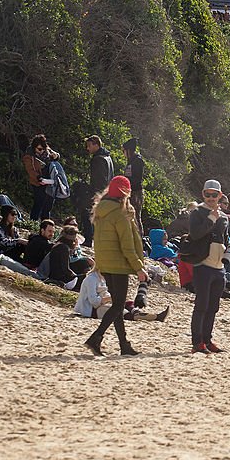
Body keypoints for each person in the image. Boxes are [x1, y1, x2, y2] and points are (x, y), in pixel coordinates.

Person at [84, 176, 149, 357]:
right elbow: (126, 246)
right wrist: (138, 268)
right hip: (118, 264)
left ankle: (124, 345)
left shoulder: (100, 211)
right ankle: (96, 338)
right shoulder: (120, 214)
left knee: (117, 306)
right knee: (118, 306)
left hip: (105, 263)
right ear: (125, 194)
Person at [186, 180, 230, 354]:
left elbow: (224, 238)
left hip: (219, 267)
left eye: (214, 195)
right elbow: (195, 234)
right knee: (201, 305)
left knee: (213, 307)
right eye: (207, 194)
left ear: (220, 195)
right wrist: (211, 218)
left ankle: (207, 339)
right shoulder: (196, 212)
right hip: (202, 265)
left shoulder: (224, 217)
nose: (211, 198)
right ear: (203, 194)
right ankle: (197, 342)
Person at [76, 264, 170, 322]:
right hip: (91, 310)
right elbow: (94, 302)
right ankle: (154, 317)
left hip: (103, 303)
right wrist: (112, 298)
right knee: (118, 310)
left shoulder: (102, 278)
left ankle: (141, 314)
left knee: (127, 303)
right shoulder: (91, 279)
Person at [82, 135, 114, 247]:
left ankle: (88, 239)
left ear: (96, 144)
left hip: (98, 192)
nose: (87, 148)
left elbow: (99, 179)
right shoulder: (107, 157)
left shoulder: (98, 159)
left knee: (88, 214)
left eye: (89, 145)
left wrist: (94, 193)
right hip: (106, 192)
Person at [22, 134, 60, 221]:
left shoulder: (47, 150)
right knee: (38, 202)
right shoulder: (29, 155)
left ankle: (45, 224)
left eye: (43, 148)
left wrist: (56, 156)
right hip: (38, 182)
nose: (42, 151)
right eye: (39, 149)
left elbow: (57, 156)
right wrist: (39, 178)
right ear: (34, 147)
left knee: (48, 205)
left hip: (50, 181)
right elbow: (30, 170)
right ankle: (33, 222)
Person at [122, 139, 146, 231]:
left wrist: (126, 181)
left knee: (135, 216)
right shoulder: (130, 161)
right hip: (129, 191)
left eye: (123, 151)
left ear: (128, 150)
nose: (123, 153)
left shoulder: (138, 161)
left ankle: (139, 238)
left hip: (136, 192)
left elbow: (137, 178)